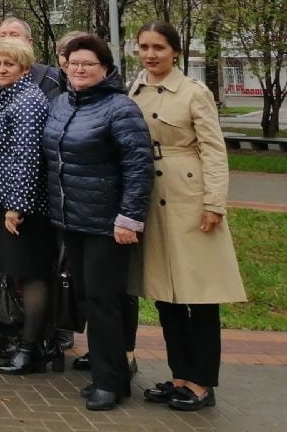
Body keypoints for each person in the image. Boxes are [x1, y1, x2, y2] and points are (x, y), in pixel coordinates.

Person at [130, 22, 245, 412]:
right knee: (167, 297)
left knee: (201, 294)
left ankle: (202, 382)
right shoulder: (134, 89)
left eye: (159, 47)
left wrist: (215, 202)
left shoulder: (195, 93)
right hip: (151, 196)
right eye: (144, 47)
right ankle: (179, 375)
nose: (150, 54)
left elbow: (214, 150)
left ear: (175, 51)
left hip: (189, 199)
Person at [42, 33, 153, 412]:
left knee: (105, 302)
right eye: (74, 64)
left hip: (108, 224)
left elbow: (139, 167)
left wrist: (130, 218)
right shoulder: (60, 104)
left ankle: (109, 380)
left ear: (105, 68)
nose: (80, 70)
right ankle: (111, 375)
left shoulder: (120, 108)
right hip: (71, 221)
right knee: (88, 299)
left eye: (88, 64)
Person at [0, 37, 59, 375]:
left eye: (8, 64)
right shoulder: (8, 96)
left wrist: (16, 207)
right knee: (21, 277)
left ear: (24, 67)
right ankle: (42, 346)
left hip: (23, 210)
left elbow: (27, 158)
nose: (0, 69)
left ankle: (32, 350)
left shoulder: (27, 101)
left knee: (31, 277)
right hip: (9, 203)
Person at [0, 17, 65, 100]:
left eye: (13, 35)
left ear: (29, 42)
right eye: (3, 36)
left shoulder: (52, 78)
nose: (7, 39)